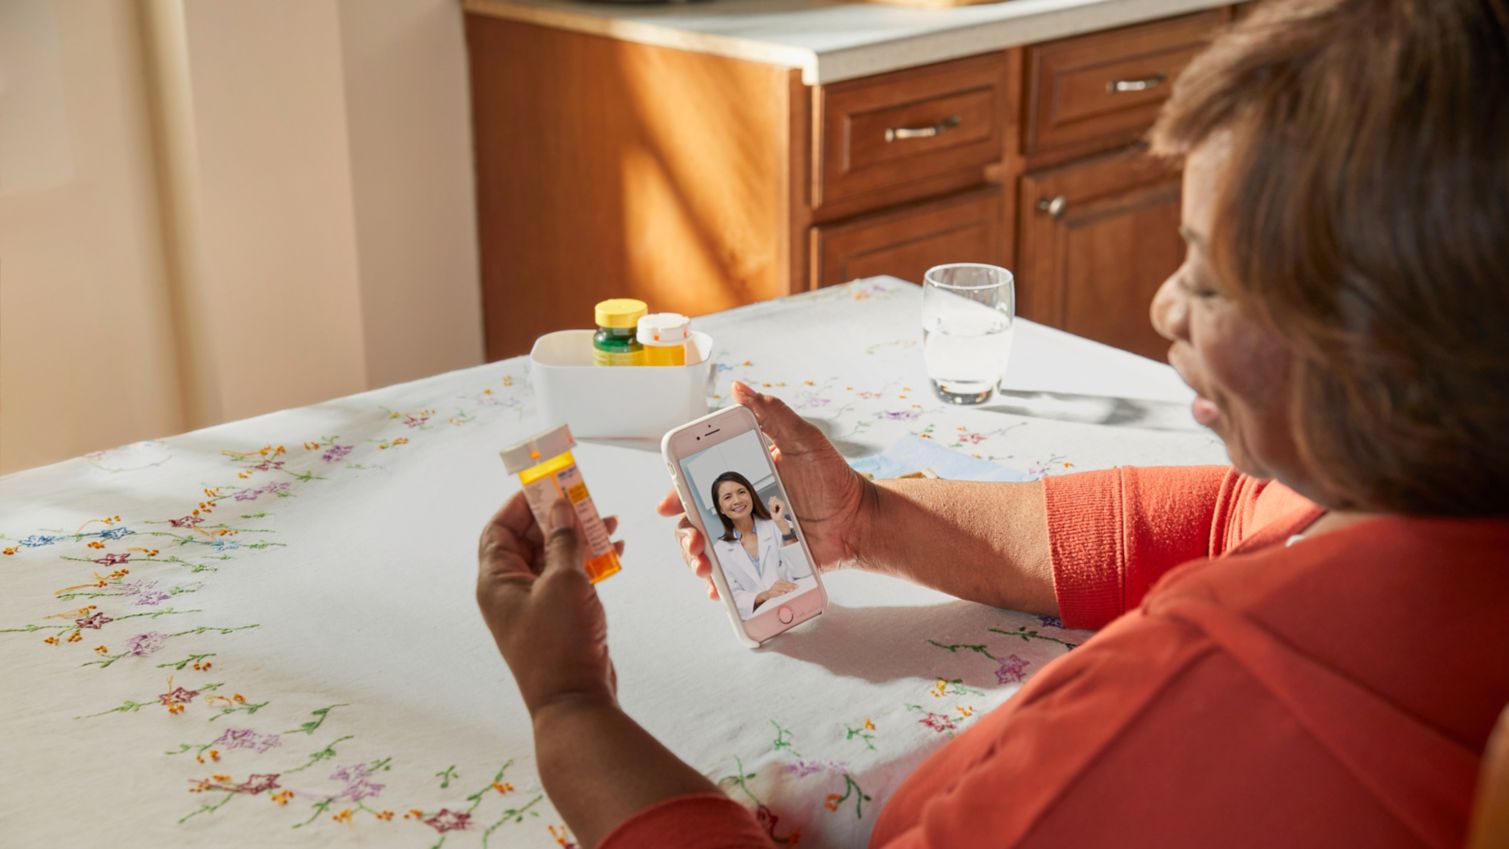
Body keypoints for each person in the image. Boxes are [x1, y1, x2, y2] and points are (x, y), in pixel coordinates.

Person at [473, 1, 1509, 846]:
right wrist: (870, 519)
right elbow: (1225, 521)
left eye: (1211, 277)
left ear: (1371, 339)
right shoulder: (1421, 505)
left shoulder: (1208, 708)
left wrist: (570, 707)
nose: (1163, 306)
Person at [706, 471, 805, 617]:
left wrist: (783, 527)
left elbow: (804, 571)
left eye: (741, 492)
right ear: (720, 508)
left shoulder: (778, 525)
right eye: (727, 497)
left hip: (799, 605)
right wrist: (765, 595)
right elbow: (732, 598)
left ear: (751, 495)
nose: (737, 500)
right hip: (760, 619)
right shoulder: (719, 552)